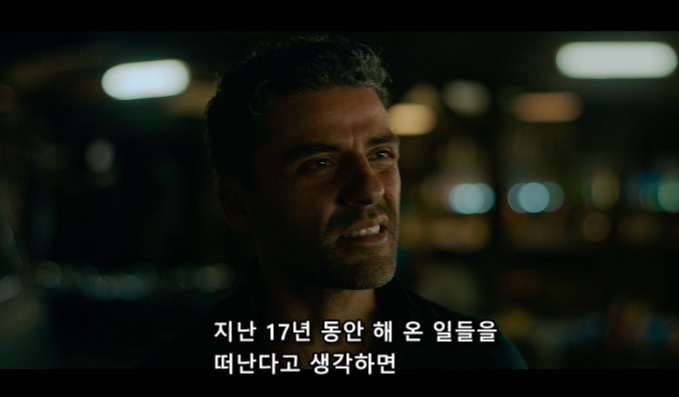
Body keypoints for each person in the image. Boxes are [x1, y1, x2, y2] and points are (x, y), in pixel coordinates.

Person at [138, 34, 527, 373]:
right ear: (237, 203)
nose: (370, 189)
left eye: (381, 155)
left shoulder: (477, 356)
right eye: (319, 164)